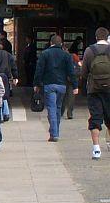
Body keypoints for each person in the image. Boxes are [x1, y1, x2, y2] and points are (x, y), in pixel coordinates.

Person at [33, 34, 77, 142]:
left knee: (51, 108)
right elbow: (71, 72)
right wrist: (75, 85)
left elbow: (39, 71)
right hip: (62, 85)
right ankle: (55, 130)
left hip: (49, 85)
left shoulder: (45, 54)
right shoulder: (66, 55)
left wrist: (37, 84)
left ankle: (54, 133)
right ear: (61, 44)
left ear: (50, 43)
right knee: (58, 108)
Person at [79, 27, 110, 160]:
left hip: (94, 89)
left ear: (96, 37)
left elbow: (84, 73)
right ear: (107, 37)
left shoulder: (89, 51)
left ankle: (96, 149)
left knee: (95, 118)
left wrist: (82, 87)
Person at [61, 38, 84, 120]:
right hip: (72, 78)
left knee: (62, 96)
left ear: (64, 48)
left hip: (63, 78)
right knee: (71, 96)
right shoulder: (74, 56)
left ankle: (61, 112)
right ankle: (69, 113)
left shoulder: (61, 57)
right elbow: (79, 66)